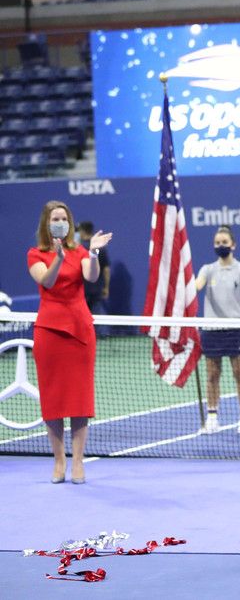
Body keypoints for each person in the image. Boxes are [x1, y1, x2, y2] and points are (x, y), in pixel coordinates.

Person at [27, 201, 112, 484]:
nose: (60, 223)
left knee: (79, 401)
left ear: (70, 222)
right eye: (55, 219)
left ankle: (78, 462)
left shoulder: (81, 252)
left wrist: (94, 252)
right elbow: (47, 282)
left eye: (64, 218)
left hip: (80, 332)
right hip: (49, 332)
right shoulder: (35, 254)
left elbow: (92, 276)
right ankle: (59, 461)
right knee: (53, 400)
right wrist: (59, 258)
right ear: (46, 223)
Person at [195, 225, 240, 434]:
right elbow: (196, 286)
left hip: (235, 329)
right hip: (211, 330)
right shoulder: (207, 269)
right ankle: (212, 418)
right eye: (217, 243)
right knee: (212, 374)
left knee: (239, 373)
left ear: (233, 245)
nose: (220, 246)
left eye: (224, 242)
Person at [76, 222, 110, 320]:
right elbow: (106, 269)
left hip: (82, 290)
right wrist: (106, 287)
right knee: (95, 320)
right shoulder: (101, 248)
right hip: (96, 290)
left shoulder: (79, 248)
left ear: (82, 231)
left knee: (81, 319)